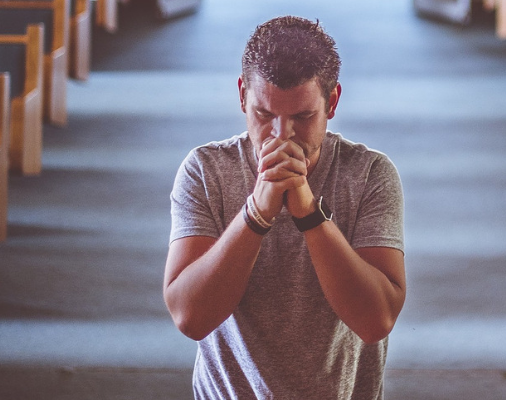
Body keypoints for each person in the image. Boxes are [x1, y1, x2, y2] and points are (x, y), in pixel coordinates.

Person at [164, 15, 406, 399]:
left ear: (332, 102)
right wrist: (256, 214)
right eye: (264, 114)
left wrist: (309, 213)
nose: (281, 136)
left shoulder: (370, 174)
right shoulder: (206, 171)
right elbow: (190, 318)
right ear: (242, 95)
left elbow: (376, 320)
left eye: (302, 116)